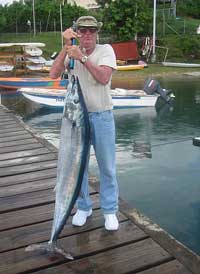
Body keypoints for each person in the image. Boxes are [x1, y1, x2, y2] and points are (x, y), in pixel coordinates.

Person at [50, 16, 119, 231]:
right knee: (76, 167)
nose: (87, 34)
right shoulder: (71, 52)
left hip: (102, 117)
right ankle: (84, 206)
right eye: (83, 30)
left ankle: (109, 211)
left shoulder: (105, 50)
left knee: (107, 167)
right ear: (76, 32)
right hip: (75, 121)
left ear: (97, 33)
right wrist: (66, 48)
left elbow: (103, 78)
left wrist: (82, 58)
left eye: (91, 31)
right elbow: (53, 74)